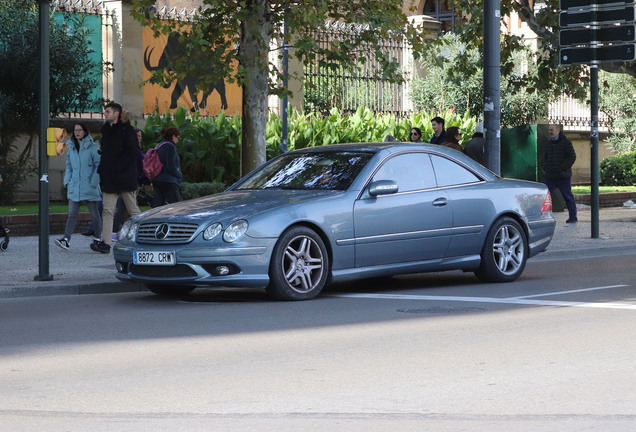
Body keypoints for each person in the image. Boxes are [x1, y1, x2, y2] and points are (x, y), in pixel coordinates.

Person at [91, 102, 141, 254]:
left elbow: (132, 152)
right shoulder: (106, 129)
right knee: (107, 210)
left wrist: (117, 167)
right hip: (109, 178)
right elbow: (106, 153)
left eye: (107, 111)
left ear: (116, 113)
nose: (104, 114)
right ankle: (105, 243)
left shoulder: (127, 130)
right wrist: (103, 170)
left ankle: (145, 237)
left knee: (134, 212)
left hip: (125, 177)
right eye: (105, 112)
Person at [54, 123, 102, 251]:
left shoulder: (93, 147)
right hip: (75, 186)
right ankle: (66, 239)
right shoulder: (71, 147)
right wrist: (67, 181)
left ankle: (98, 238)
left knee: (94, 214)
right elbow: (69, 166)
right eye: (75, 130)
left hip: (90, 186)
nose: (77, 132)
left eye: (80, 130)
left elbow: (99, 165)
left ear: (85, 131)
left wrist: (94, 182)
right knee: (72, 214)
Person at [112, 127, 151, 239]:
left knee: (124, 209)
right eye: (138, 136)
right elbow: (140, 169)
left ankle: (122, 232)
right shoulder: (134, 151)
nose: (140, 138)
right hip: (130, 184)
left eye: (140, 136)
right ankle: (141, 230)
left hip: (126, 183)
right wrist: (147, 182)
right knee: (133, 211)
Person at [543, 124, 578, 223]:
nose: (550, 132)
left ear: (558, 130)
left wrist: (562, 168)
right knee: (546, 197)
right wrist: (546, 168)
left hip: (563, 176)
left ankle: (573, 216)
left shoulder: (566, 143)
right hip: (550, 176)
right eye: (549, 130)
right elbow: (546, 157)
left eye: (552, 130)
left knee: (567, 196)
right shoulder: (549, 143)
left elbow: (572, 157)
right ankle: (545, 217)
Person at [151, 127, 183, 208]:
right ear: (173, 136)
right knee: (178, 207)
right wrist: (179, 175)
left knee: (157, 208)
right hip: (169, 181)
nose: (178, 140)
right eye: (178, 137)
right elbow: (171, 166)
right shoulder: (170, 146)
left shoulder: (160, 145)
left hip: (158, 179)